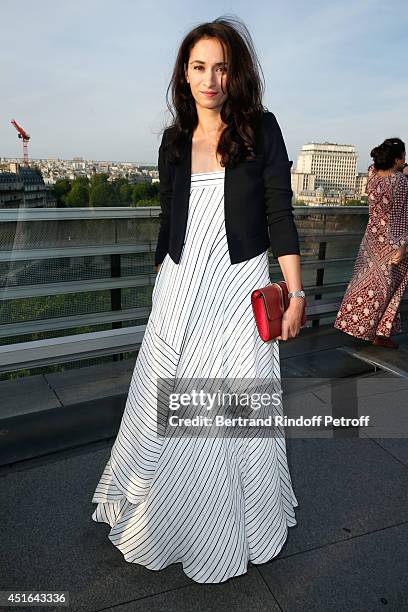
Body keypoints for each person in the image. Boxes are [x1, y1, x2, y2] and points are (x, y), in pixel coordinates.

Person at [91, 16, 305, 584]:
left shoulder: (261, 128)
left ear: (236, 75)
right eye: (198, 67)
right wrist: (163, 274)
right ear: (184, 75)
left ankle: (238, 523)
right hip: (183, 287)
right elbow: (169, 216)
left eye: (221, 67)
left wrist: (296, 291)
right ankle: (171, 516)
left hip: (240, 285)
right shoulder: (173, 141)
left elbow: (280, 214)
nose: (210, 78)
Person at [334, 138, 408, 348]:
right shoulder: (400, 182)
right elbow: (403, 216)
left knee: (365, 284)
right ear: (397, 159)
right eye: (403, 157)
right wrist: (402, 245)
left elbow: (372, 167)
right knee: (388, 289)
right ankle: (378, 332)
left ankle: (359, 326)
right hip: (391, 242)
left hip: (371, 240)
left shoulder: (372, 176)